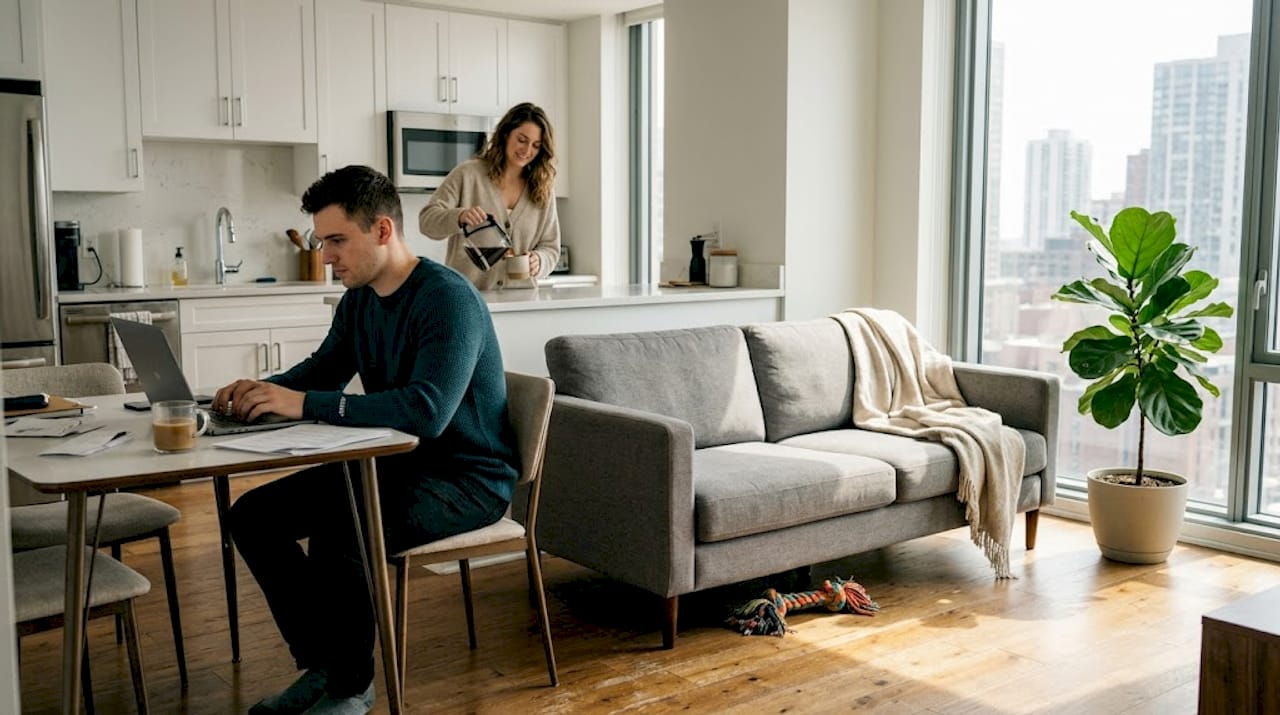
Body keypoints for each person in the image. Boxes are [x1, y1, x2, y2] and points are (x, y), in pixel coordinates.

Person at [216, 165, 519, 715]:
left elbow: (426, 412)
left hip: (467, 478)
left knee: (343, 530)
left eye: (337, 240)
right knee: (253, 516)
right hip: (395, 464)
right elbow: (323, 370)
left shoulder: (446, 299)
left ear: (382, 230)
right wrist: (257, 391)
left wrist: (303, 403)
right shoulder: (361, 298)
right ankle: (327, 667)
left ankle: (351, 689)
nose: (326, 255)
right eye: (322, 241)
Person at [419, 102, 561, 290]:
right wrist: (459, 217)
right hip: (467, 299)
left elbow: (550, 247)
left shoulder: (542, 188)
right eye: (522, 140)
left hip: (521, 303)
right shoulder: (468, 174)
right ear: (506, 134)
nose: (527, 151)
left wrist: (539, 260)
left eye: (536, 145)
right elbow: (427, 222)